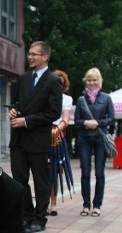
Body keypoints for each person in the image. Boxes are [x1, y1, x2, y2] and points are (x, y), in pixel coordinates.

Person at [9, 41, 63, 233]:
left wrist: (26, 121)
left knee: (40, 181)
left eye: (34, 54)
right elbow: (16, 102)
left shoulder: (53, 81)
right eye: (29, 53)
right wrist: (14, 112)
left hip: (38, 139)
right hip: (18, 139)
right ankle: (26, 215)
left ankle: (40, 218)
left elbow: (54, 112)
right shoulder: (23, 79)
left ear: (45, 57)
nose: (30, 57)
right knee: (19, 180)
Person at [74, 67, 115, 217]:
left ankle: (97, 205)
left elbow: (112, 118)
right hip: (85, 138)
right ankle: (86, 205)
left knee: (99, 173)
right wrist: (85, 122)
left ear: (99, 81)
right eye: (89, 80)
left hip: (100, 138)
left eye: (94, 80)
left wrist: (98, 122)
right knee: (85, 172)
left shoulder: (106, 98)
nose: (91, 82)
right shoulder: (81, 100)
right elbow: (76, 120)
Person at [48, 70, 74, 216]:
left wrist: (55, 131)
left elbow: (66, 119)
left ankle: (53, 204)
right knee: (42, 172)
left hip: (57, 136)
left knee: (55, 172)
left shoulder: (66, 99)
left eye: (61, 82)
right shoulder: (44, 96)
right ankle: (42, 203)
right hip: (41, 134)